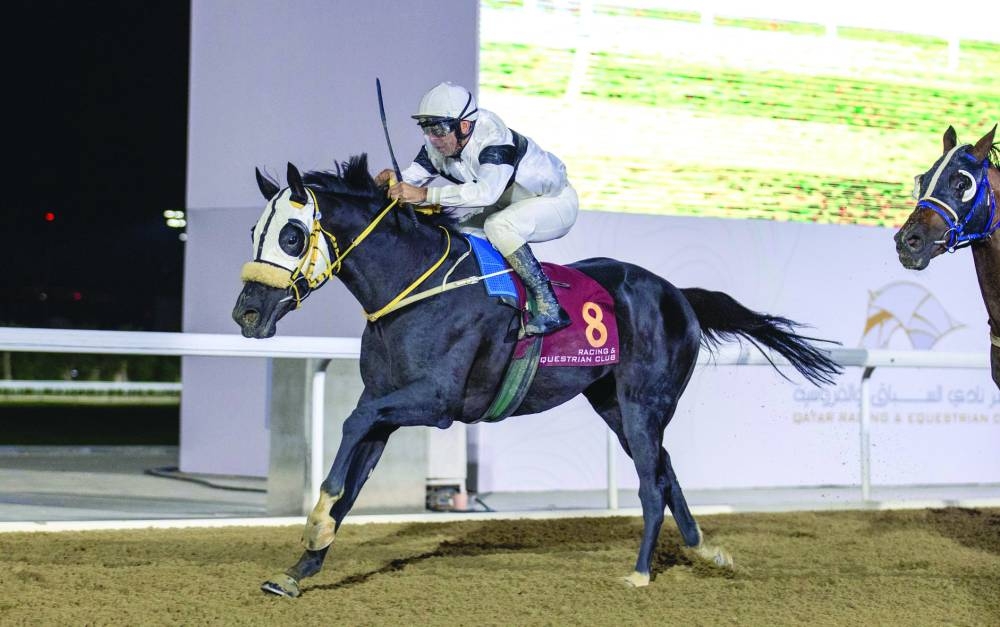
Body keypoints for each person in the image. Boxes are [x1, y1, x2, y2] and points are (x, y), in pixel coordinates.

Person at [375, 82, 578, 336]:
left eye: (438, 129)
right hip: (510, 201)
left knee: (498, 226)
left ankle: (550, 306)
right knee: (459, 234)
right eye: (427, 129)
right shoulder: (440, 143)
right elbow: (413, 179)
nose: (433, 138)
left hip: (554, 202)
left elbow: (485, 193)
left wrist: (425, 195)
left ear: (464, 125)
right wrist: (393, 181)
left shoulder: (494, 139)